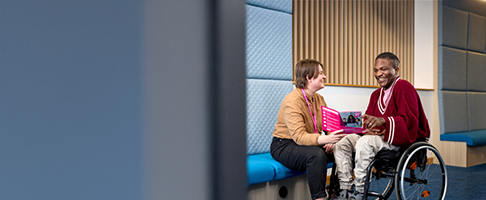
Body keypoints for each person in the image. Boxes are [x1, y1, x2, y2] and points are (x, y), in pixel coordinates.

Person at [332, 52, 430, 200]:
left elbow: (409, 120)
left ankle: (358, 193)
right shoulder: (375, 95)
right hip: (378, 138)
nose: (379, 74)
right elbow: (370, 120)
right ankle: (345, 191)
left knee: (365, 143)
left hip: (397, 140)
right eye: (376, 70)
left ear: (396, 70)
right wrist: (355, 127)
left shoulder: (404, 87)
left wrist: (383, 121)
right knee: (342, 143)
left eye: (383, 69)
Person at [271, 59, 346, 200]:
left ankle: (339, 190)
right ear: (308, 77)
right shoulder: (292, 101)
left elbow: (328, 125)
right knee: (316, 155)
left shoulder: (319, 99)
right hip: (284, 144)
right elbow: (299, 137)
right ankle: (319, 198)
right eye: (321, 74)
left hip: (311, 142)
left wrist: (332, 140)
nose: (324, 77)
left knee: (345, 148)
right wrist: (325, 139)